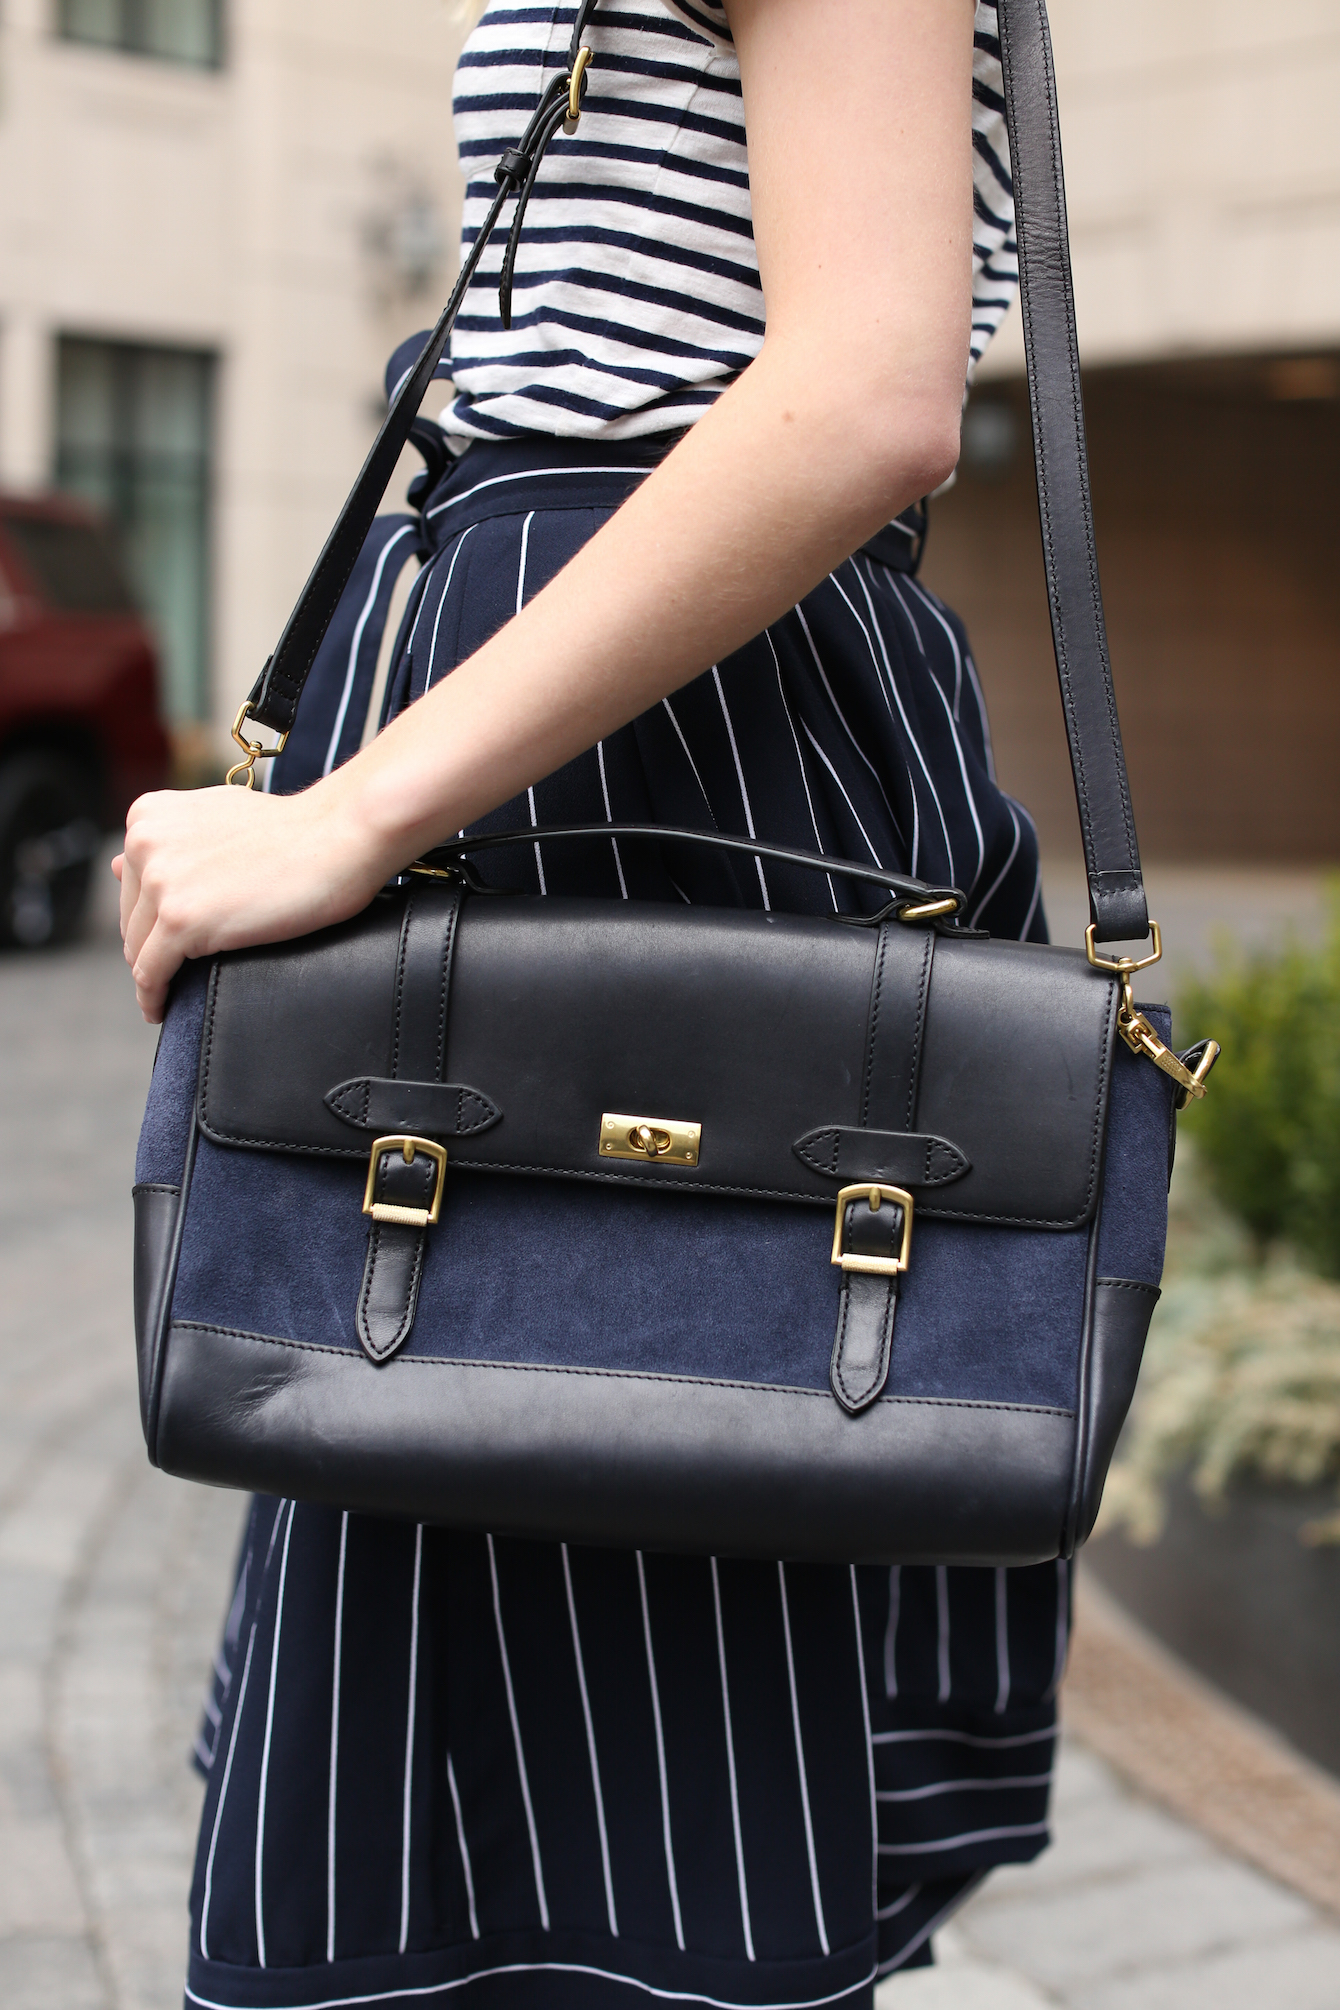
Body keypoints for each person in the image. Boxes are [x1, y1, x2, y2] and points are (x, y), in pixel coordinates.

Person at [118, 3, 1070, 2004]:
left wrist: (359, 804)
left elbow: (871, 383)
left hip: (648, 765)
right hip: (608, 737)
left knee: (627, 1523)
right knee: (506, 1552)